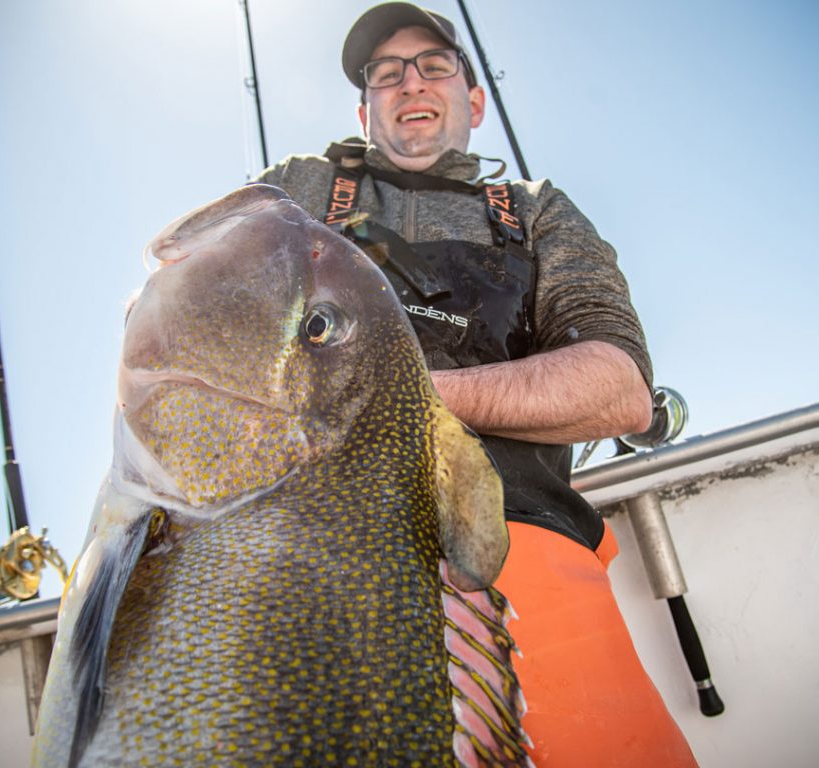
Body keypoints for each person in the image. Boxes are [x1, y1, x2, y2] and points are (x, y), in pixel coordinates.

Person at [254, 3, 697, 765]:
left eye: (433, 64)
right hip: (318, 559)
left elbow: (616, 389)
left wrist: (396, 389)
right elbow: (192, 304)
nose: (409, 82)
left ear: (475, 99)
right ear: (365, 108)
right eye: (385, 73)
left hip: (521, 542)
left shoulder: (537, 212)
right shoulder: (298, 188)